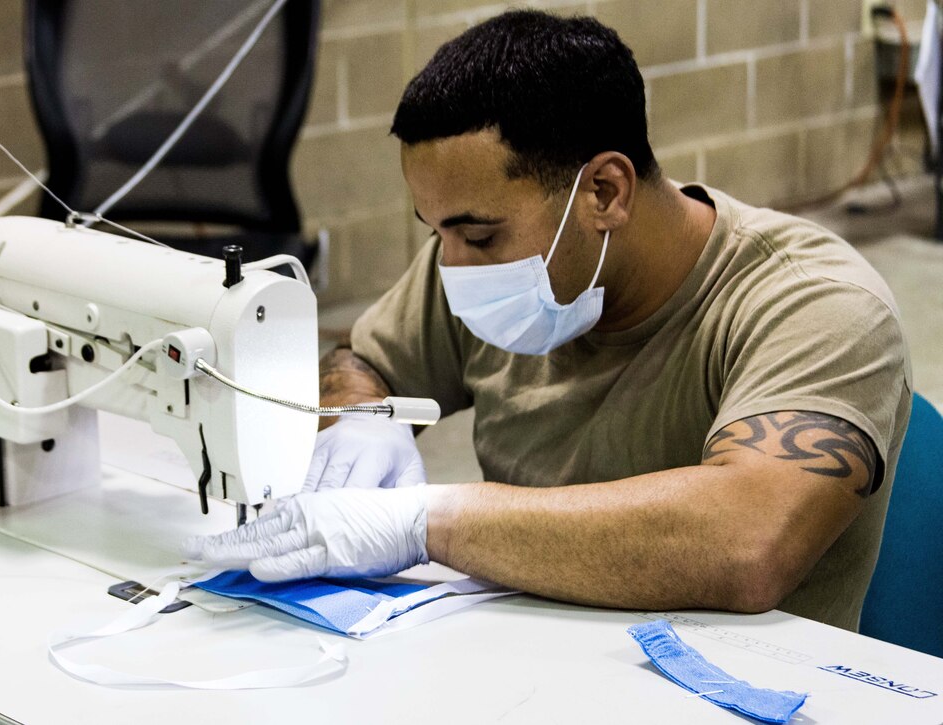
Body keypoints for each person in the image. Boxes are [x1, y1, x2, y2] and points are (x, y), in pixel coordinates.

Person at [183, 9, 911, 631]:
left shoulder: (813, 303)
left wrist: (428, 519)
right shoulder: (481, 260)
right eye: (437, 232)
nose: (454, 265)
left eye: (479, 234)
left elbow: (747, 541)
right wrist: (360, 416)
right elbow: (364, 359)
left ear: (604, 190)